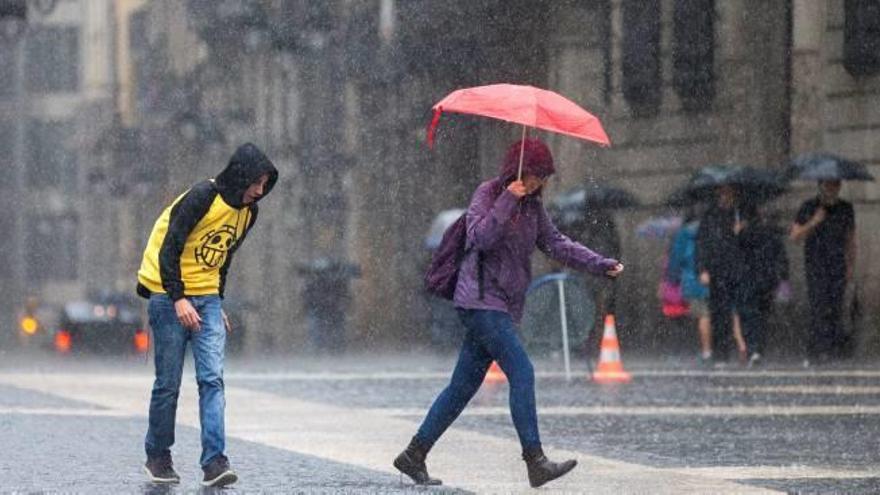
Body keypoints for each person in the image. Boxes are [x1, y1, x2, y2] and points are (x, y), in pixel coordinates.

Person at [393, 138, 624, 488]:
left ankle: (414, 454)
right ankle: (535, 461)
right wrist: (507, 200)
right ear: (519, 170)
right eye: (536, 175)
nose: (540, 183)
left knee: (462, 387)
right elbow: (480, 238)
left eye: (543, 178)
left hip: (501, 305)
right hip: (480, 302)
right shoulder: (487, 194)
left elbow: (557, 243)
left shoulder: (533, 207)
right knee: (522, 371)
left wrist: (599, 264)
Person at [136, 143, 277, 487]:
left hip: (208, 299)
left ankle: (215, 462)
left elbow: (223, 258)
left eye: (264, 184)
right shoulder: (203, 197)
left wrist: (218, 301)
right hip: (169, 296)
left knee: (212, 380)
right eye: (256, 183)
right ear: (241, 175)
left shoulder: (248, 212)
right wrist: (178, 298)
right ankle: (158, 456)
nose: (260, 191)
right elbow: (171, 247)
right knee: (168, 384)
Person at [790, 179, 855, 363]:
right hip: (816, 265)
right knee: (818, 308)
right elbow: (795, 236)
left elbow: (851, 239)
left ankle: (833, 350)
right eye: (828, 184)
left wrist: (850, 265)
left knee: (835, 308)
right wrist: (814, 221)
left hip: (837, 265)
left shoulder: (846, 208)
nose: (832, 188)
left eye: (835, 184)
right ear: (820, 185)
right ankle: (817, 350)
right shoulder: (809, 206)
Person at [735, 203, 789, 367]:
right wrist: (783, 278)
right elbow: (782, 256)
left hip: (748, 280)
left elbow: (734, 254)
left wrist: (736, 233)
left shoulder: (743, 234)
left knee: (749, 316)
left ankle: (753, 349)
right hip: (768, 280)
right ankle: (758, 349)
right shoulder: (771, 232)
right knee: (762, 316)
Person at [696, 185, 742, 363]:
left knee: (739, 311)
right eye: (722, 194)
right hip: (717, 270)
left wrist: (740, 232)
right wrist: (702, 269)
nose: (725, 197)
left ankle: (742, 348)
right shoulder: (710, 217)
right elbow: (702, 244)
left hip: (737, 269)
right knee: (718, 313)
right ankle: (720, 352)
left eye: (728, 194)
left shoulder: (739, 214)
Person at [668, 211, 712, 365]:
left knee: (702, 315)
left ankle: (706, 350)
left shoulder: (683, 234)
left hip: (691, 279)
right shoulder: (711, 230)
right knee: (712, 314)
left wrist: (672, 280)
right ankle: (714, 348)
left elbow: (677, 258)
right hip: (712, 276)